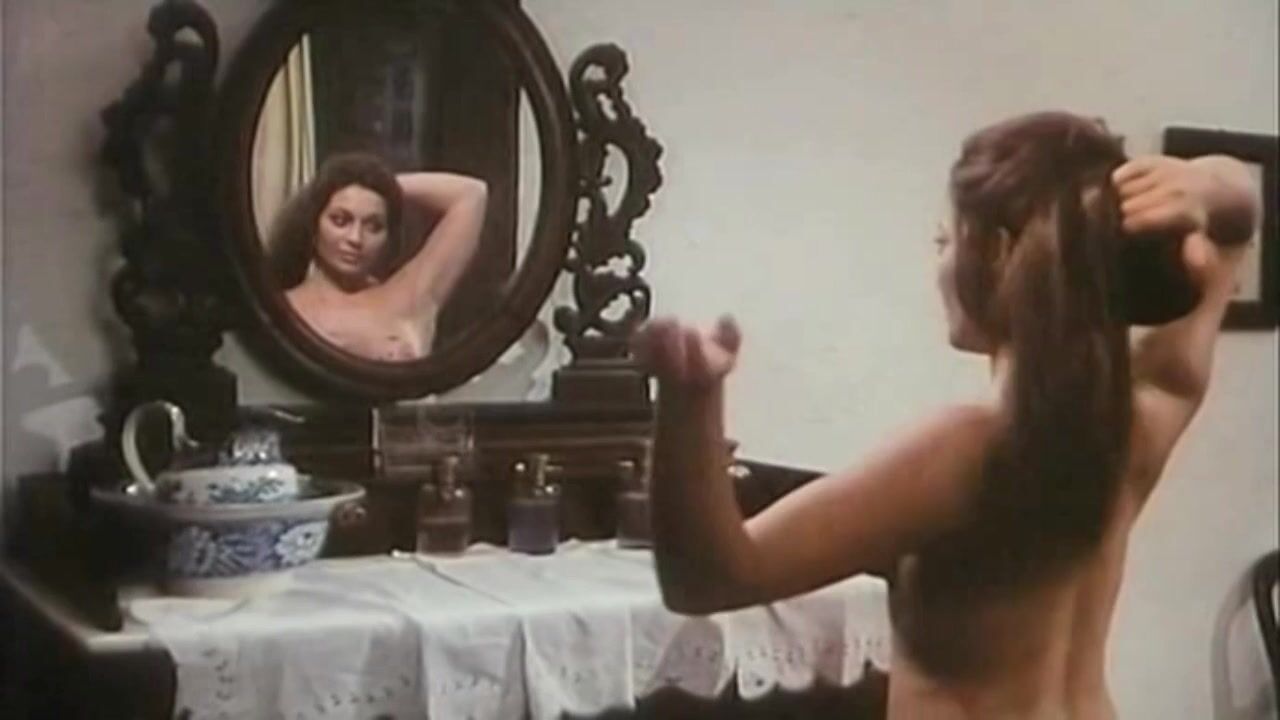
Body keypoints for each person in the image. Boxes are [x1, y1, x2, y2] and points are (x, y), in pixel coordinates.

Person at [631, 111, 1260, 719]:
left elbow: (708, 578)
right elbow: (1238, 224)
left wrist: (690, 397)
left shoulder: (968, 449)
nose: (938, 267)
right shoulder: (1138, 422)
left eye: (943, 241)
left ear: (995, 252)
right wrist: (1211, 187)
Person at [268, 152, 488, 361]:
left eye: (374, 226)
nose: (355, 238)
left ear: (389, 238)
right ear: (314, 225)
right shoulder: (284, 309)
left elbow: (472, 194)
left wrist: (380, 186)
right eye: (340, 221)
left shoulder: (410, 297)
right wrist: (330, 186)